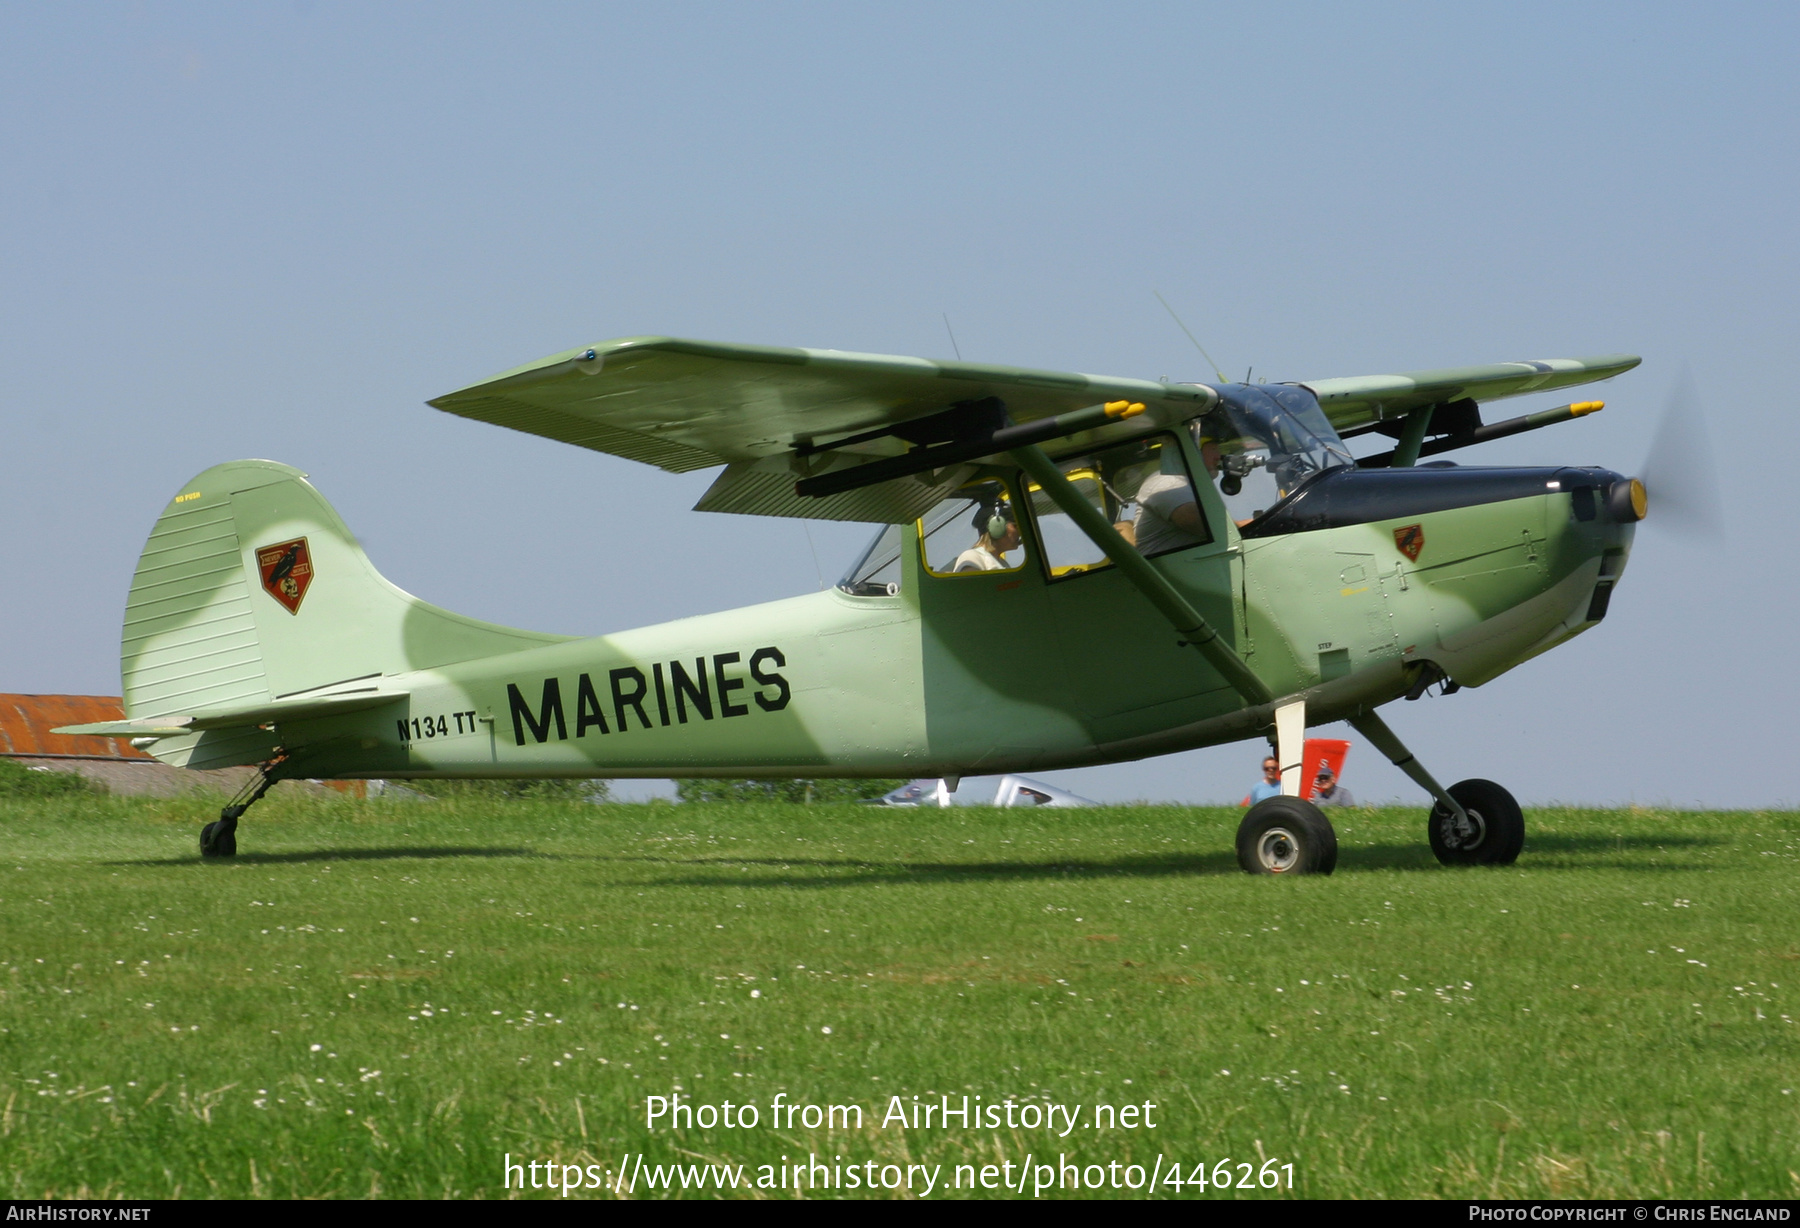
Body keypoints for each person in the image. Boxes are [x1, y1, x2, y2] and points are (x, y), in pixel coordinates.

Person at [1132, 445, 1208, 556]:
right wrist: (1239, 527)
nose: (1219, 456)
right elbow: (1194, 520)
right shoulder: (1167, 480)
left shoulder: (1190, 485)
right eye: (1214, 448)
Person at [952, 502, 1021, 572]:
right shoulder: (972, 557)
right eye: (1015, 526)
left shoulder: (1003, 564)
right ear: (997, 526)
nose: (1020, 533)